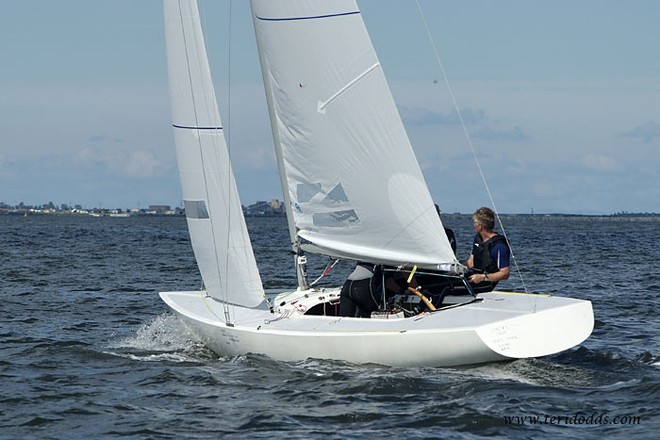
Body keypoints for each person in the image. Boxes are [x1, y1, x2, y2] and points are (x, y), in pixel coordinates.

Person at [465, 207, 510, 292]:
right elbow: (470, 262)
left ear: (480, 226)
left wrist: (482, 277)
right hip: (473, 275)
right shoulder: (478, 238)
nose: (474, 226)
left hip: (486, 282)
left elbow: (505, 273)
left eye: (475, 223)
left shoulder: (499, 246)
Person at [339, 263, 408, 317]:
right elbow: (389, 282)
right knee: (372, 316)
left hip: (347, 285)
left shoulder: (367, 256)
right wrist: (402, 291)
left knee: (345, 320)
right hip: (364, 285)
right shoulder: (387, 261)